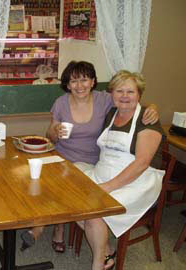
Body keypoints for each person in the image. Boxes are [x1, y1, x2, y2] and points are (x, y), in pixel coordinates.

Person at [20, 61, 159, 253]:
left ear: (93, 81)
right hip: (62, 157)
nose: (80, 85)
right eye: (74, 81)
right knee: (50, 181)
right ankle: (57, 228)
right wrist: (55, 131)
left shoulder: (105, 99)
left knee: (65, 186)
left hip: (94, 161)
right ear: (67, 85)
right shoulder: (61, 103)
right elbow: (49, 136)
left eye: (84, 80)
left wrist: (152, 107)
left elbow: (130, 101)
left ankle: (39, 229)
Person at [74, 70, 165, 270]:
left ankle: (98, 264)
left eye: (130, 92)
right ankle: (106, 250)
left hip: (137, 181)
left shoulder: (147, 119)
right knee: (71, 192)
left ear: (139, 94)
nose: (124, 96)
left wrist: (107, 187)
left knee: (93, 208)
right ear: (111, 94)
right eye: (119, 91)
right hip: (105, 172)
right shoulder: (111, 114)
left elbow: (141, 163)